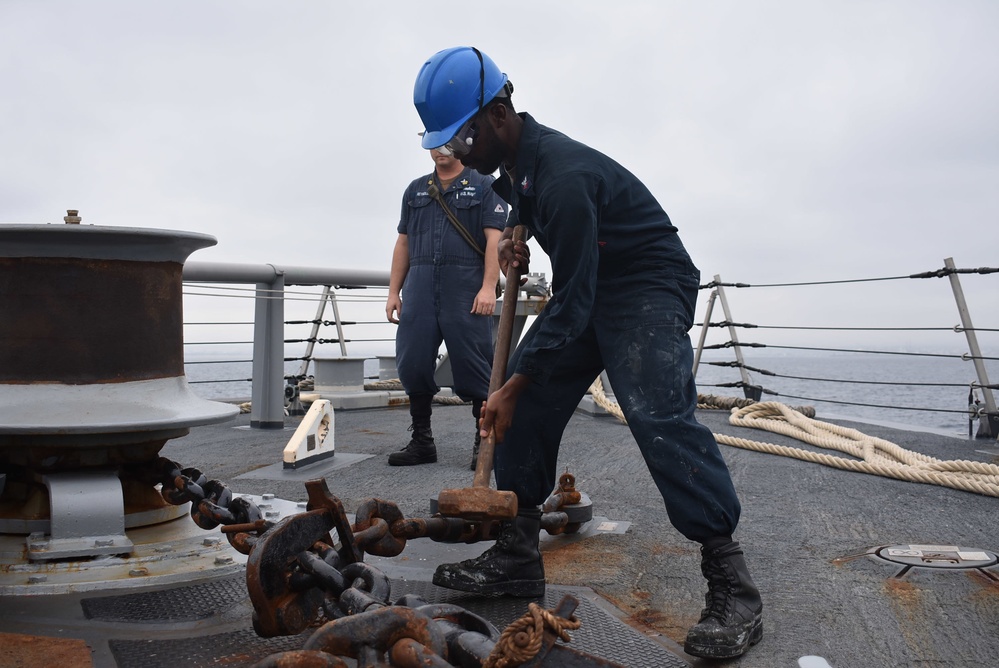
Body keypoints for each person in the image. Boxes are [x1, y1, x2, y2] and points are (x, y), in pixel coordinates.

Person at [411, 46, 764, 660]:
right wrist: (519, 244)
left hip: (649, 286)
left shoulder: (565, 176)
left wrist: (515, 382)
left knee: (655, 412)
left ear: (498, 113)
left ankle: (733, 583)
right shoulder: (520, 167)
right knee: (523, 403)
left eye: (463, 138)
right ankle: (518, 556)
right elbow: (536, 219)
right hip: (596, 285)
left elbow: (573, 300)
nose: (458, 154)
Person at [385, 148, 507, 468]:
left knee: (476, 365)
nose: (440, 150)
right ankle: (422, 440)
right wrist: (393, 292)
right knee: (413, 361)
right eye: (434, 143)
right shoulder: (416, 189)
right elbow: (404, 243)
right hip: (420, 286)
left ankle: (483, 441)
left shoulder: (484, 185)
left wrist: (487, 287)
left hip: (465, 286)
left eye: (447, 142)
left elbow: (495, 240)